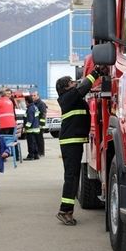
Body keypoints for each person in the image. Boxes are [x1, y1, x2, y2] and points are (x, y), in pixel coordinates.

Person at [55, 67, 102, 226]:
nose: (75, 83)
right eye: (71, 82)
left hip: (74, 141)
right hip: (70, 142)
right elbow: (82, 88)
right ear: (65, 88)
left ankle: (67, 210)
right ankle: (64, 210)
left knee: (73, 177)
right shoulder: (67, 97)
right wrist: (95, 73)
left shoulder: (72, 98)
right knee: (71, 177)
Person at [23, 95, 40, 160]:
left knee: (31, 143)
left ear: (27, 101)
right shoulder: (35, 107)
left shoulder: (30, 109)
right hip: (35, 129)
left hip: (31, 129)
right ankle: (36, 155)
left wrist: (26, 128)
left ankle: (31, 155)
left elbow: (30, 120)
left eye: (25, 101)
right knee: (34, 142)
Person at [32, 90, 47, 156]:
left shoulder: (41, 104)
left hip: (40, 125)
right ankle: (38, 151)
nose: (33, 97)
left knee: (39, 139)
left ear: (38, 96)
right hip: (36, 124)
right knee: (36, 139)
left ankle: (41, 152)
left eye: (34, 95)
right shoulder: (34, 103)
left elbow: (43, 114)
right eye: (32, 95)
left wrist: (41, 124)